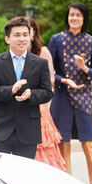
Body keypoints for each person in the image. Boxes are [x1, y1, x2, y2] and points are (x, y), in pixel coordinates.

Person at [0, 16, 53, 158]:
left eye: (25, 35)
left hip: (28, 130)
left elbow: (47, 92)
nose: (22, 39)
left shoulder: (40, 63)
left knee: (24, 175)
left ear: (30, 37)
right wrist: (10, 90)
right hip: (1, 130)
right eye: (17, 35)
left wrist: (31, 94)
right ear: (7, 39)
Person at [48, 2, 92, 184]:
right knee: (64, 142)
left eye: (78, 15)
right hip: (62, 96)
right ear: (67, 17)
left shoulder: (91, 41)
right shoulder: (56, 39)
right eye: (72, 15)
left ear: (84, 18)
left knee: (89, 142)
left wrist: (84, 68)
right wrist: (63, 80)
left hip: (84, 96)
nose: (74, 18)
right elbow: (49, 70)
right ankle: (67, 183)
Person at [30, 18, 66, 170]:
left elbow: (51, 78)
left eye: (28, 30)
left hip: (40, 101)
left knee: (43, 139)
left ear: (34, 31)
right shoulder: (17, 52)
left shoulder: (43, 51)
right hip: (22, 102)